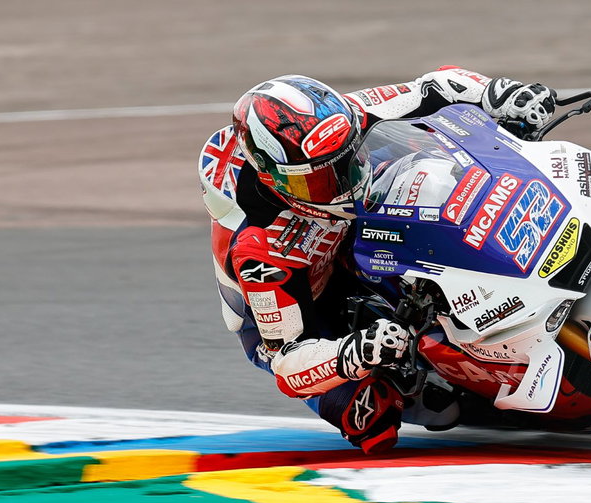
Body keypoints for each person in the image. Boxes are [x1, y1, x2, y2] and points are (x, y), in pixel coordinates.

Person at [200, 69, 557, 455]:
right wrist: (354, 352)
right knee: (374, 424)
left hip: (355, 236)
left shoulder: (346, 119)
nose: (341, 183)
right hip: (306, 306)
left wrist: (498, 93)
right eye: (318, 181)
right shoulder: (260, 251)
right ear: (276, 179)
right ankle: (447, 383)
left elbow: (437, 86)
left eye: (346, 161)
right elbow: (287, 363)